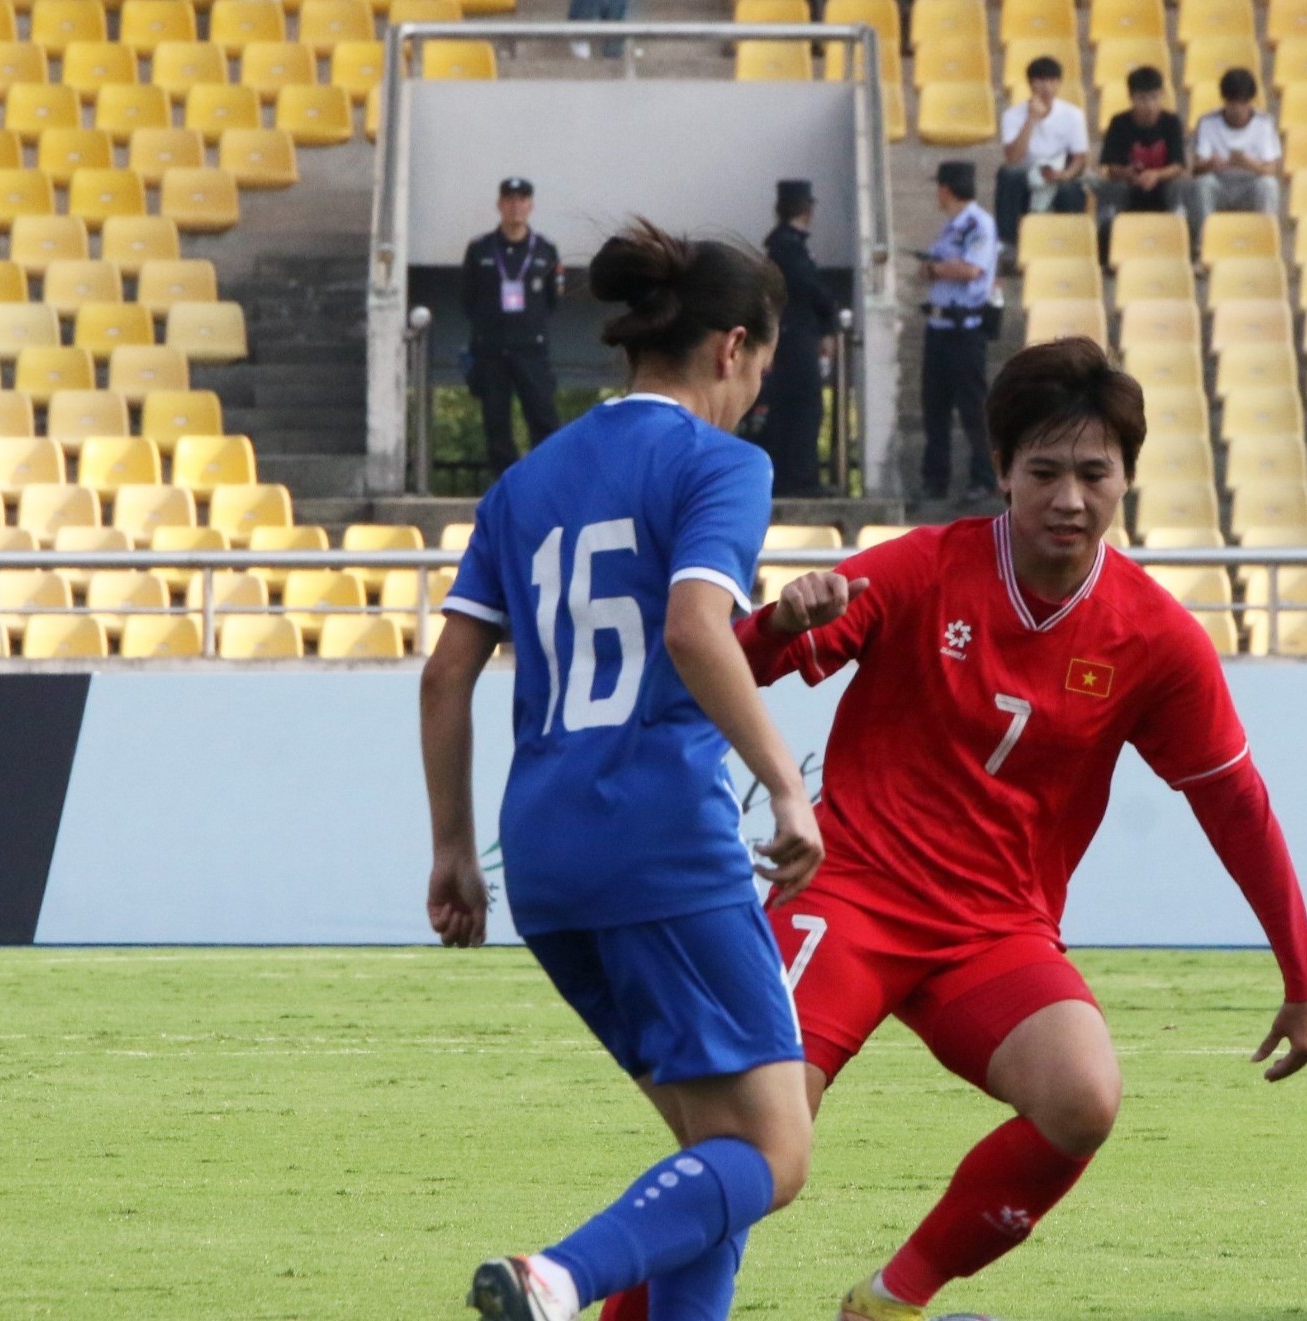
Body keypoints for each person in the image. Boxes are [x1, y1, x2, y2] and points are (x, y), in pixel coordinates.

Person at [597, 336, 1307, 1321]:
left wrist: (1302, 973)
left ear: (1125, 478)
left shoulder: (1154, 638)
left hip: (995, 930)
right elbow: (730, 663)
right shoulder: (920, 569)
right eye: (1043, 471)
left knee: (1082, 1097)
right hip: (847, 893)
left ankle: (890, 1302)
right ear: (1000, 471)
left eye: (1092, 473)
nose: (1068, 497)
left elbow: (1231, 801)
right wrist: (777, 623)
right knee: (752, 1139)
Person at [423, 218, 821, 1321]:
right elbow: (695, 629)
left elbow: (446, 672)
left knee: (708, 1158)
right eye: (764, 367)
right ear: (733, 348)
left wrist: (454, 850)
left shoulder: (527, 479)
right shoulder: (721, 462)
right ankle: (558, 1277)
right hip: (660, 840)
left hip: (543, 856)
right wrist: (786, 785)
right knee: (775, 1152)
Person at [462, 177, 564, 478]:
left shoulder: (545, 250)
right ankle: (504, 486)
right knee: (496, 423)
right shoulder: (480, 249)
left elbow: (551, 301)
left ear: (530, 206)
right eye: (509, 199)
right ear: (499, 204)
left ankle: (547, 481)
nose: (515, 206)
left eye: (521, 200)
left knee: (543, 417)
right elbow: (468, 299)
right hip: (491, 350)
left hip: (530, 349)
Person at [919, 160, 1000, 505]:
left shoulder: (978, 224)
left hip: (965, 329)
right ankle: (935, 480)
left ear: (946, 189)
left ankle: (983, 478)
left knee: (973, 410)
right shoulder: (952, 226)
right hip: (939, 327)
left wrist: (934, 269)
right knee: (934, 408)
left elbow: (971, 269)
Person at [755, 179, 841, 498]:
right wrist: (829, 316)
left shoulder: (786, 246)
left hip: (795, 333)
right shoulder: (787, 248)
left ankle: (795, 474)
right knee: (804, 404)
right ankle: (799, 477)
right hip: (796, 335)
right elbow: (809, 289)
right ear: (806, 209)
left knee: (796, 405)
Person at [1094, 67, 1196, 256]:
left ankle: (1183, 244)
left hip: (1163, 185)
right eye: (1142, 99)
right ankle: (1106, 249)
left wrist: (1155, 175)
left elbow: (1178, 165)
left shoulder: (1171, 122)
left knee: (1182, 187)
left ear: (1162, 96)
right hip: (1130, 184)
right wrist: (1130, 174)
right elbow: (1112, 167)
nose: (1149, 105)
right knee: (1109, 188)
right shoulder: (1118, 123)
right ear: (1132, 98)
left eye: (1154, 98)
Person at [994, 56, 1090, 253]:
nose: (1046, 87)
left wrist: (1064, 175)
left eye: (1052, 81)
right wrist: (1031, 119)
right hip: (1027, 176)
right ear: (1030, 84)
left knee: (1070, 189)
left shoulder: (1073, 115)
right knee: (1008, 174)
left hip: (1060, 173)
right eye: (1040, 81)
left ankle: (1070, 246)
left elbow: (1080, 158)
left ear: (1058, 84)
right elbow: (1013, 158)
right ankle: (1008, 244)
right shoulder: (1012, 116)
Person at [1190, 68, 1282, 229]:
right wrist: (1210, 164)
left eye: (1243, 102)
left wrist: (1248, 163)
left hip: (1250, 184)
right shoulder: (1207, 122)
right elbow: (1196, 168)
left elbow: (1271, 169)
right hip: (1220, 183)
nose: (1238, 109)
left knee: (1268, 185)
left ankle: (1266, 236)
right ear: (1225, 100)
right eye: (1233, 102)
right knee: (1203, 184)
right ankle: (1203, 240)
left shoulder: (1264, 124)